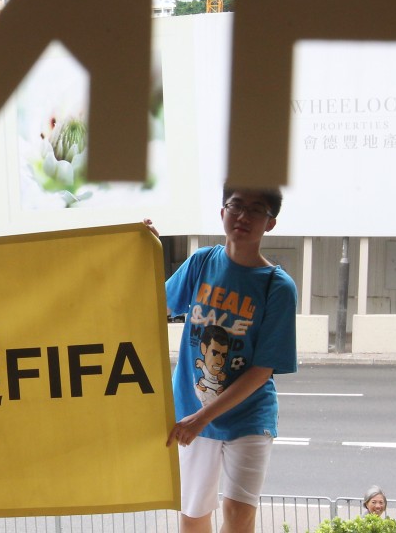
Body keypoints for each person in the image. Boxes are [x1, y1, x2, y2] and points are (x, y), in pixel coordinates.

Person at [147, 185, 298, 533]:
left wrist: (202, 418)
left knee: (238, 514)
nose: (243, 216)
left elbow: (261, 371)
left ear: (270, 223)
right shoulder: (202, 262)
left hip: (248, 418)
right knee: (194, 514)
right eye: (236, 206)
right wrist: (146, 249)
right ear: (222, 212)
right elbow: (157, 303)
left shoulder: (277, 287)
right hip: (190, 411)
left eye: (256, 210)